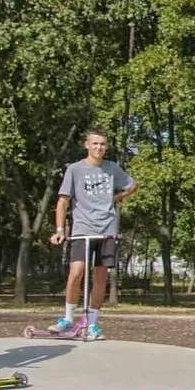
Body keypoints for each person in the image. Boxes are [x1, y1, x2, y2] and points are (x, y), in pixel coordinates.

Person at [48, 129, 136, 339]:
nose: (99, 148)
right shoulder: (76, 170)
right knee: (76, 272)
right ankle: (68, 319)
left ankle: (92, 323)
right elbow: (62, 201)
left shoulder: (112, 168)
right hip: (82, 230)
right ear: (87, 145)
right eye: (95, 144)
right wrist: (59, 230)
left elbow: (132, 185)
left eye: (103, 144)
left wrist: (117, 198)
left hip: (107, 230)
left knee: (100, 276)